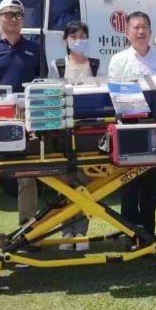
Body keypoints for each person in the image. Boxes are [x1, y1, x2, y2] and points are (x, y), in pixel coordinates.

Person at [0, 0, 44, 243]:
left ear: (23, 20)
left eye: (18, 15)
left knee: (27, 178)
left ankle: (27, 229)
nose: (13, 19)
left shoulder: (36, 49)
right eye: (8, 14)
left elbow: (42, 84)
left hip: (25, 119)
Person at [108, 11, 156, 245]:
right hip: (128, 130)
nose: (140, 31)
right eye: (135, 27)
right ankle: (129, 232)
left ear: (150, 31)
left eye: (144, 27)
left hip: (154, 129)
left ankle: (148, 233)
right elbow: (114, 95)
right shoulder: (119, 60)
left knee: (151, 186)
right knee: (129, 185)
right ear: (127, 33)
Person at [49, 21, 104, 251]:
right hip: (62, 132)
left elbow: (103, 95)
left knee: (85, 181)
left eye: (83, 35)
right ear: (65, 40)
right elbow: (51, 96)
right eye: (73, 36)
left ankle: (81, 232)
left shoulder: (97, 64)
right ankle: (65, 231)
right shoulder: (57, 65)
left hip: (88, 132)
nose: (78, 40)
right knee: (63, 182)